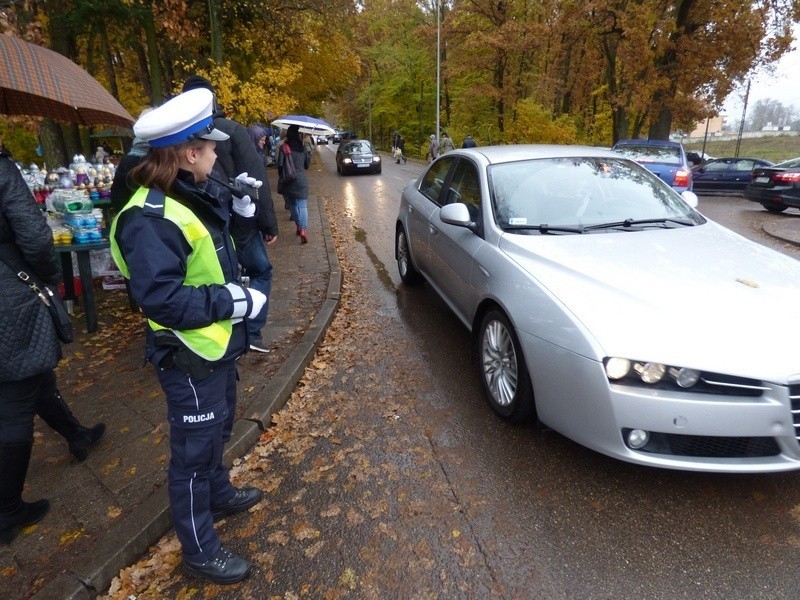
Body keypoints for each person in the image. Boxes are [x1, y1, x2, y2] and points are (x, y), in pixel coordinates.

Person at [109, 88, 264, 584]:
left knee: (219, 429)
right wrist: (235, 303)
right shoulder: (148, 217)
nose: (218, 153)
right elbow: (162, 299)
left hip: (215, 346)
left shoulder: (188, 192)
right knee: (193, 455)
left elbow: (217, 257)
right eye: (211, 147)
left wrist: (240, 220)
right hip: (188, 354)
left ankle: (220, 493)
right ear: (189, 153)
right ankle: (199, 550)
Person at [0, 148, 105, 544]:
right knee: (15, 400)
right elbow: (33, 234)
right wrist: (44, 277)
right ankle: (7, 508)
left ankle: (76, 434)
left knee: (33, 375)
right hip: (9, 296)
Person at [182, 75, 278, 354]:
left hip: (223, 220)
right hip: (236, 224)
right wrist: (268, 223)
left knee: (221, 275)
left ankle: (233, 335)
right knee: (260, 270)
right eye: (209, 149)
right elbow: (257, 176)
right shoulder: (233, 130)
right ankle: (251, 332)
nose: (212, 156)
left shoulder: (177, 141)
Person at [276, 124, 311, 243]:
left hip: (288, 180)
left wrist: (281, 176)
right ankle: (304, 230)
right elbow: (307, 165)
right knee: (303, 206)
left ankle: (298, 226)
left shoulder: (284, 147)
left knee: (293, 205)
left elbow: (280, 165)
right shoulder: (303, 148)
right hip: (301, 179)